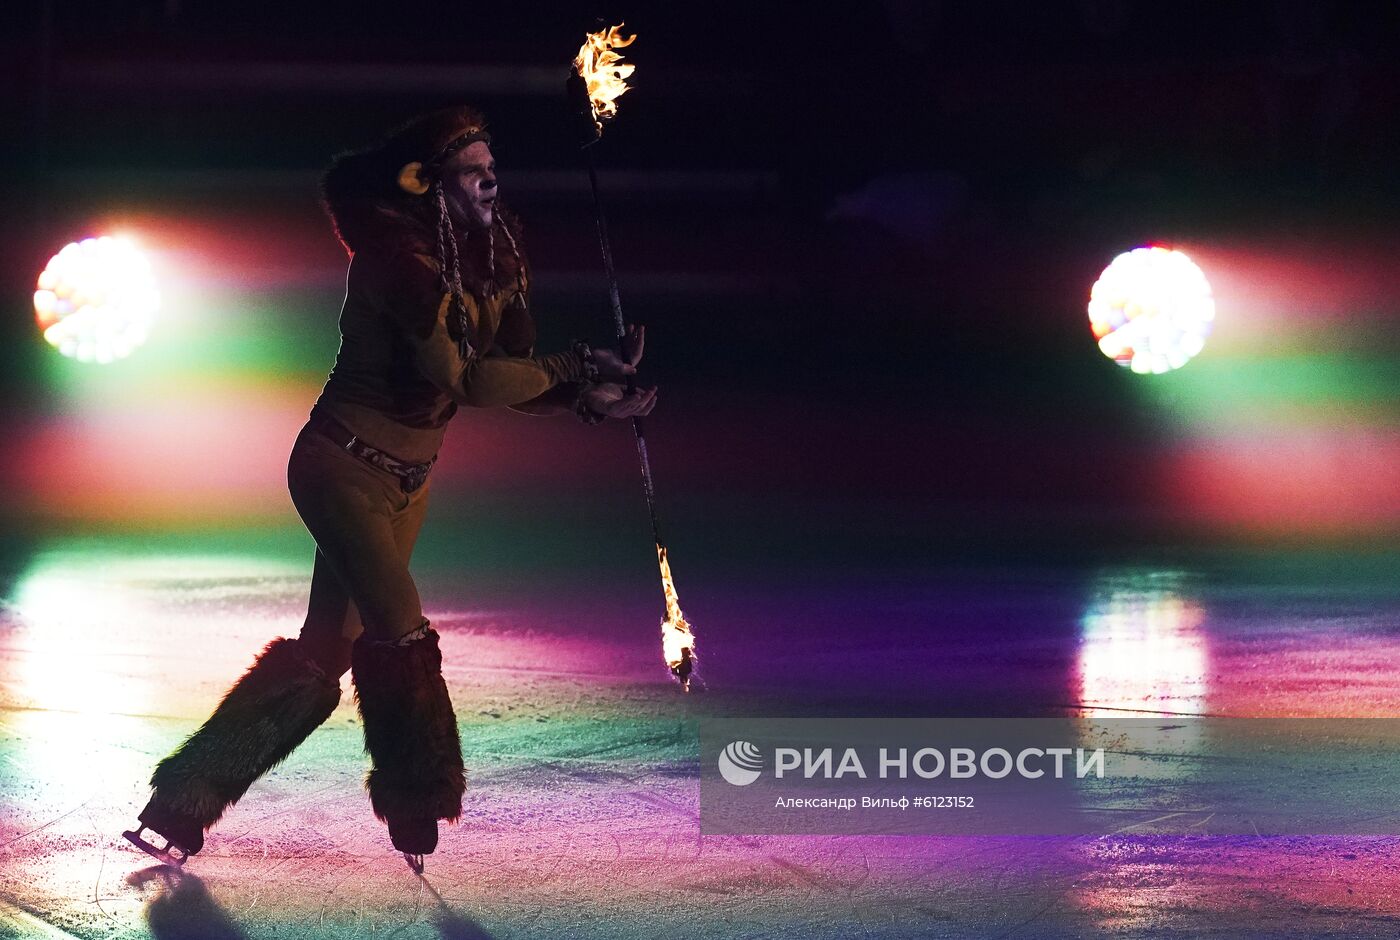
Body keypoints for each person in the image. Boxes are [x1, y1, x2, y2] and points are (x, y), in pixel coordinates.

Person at [123, 105, 656, 872]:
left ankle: (182, 801)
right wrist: (577, 367)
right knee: (400, 628)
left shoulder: (494, 249)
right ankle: (417, 797)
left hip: (408, 482)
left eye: (490, 165)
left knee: (325, 652)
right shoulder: (393, 261)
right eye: (474, 170)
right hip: (341, 469)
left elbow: (511, 373)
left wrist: (584, 397)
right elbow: (467, 380)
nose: (491, 180)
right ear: (427, 183)